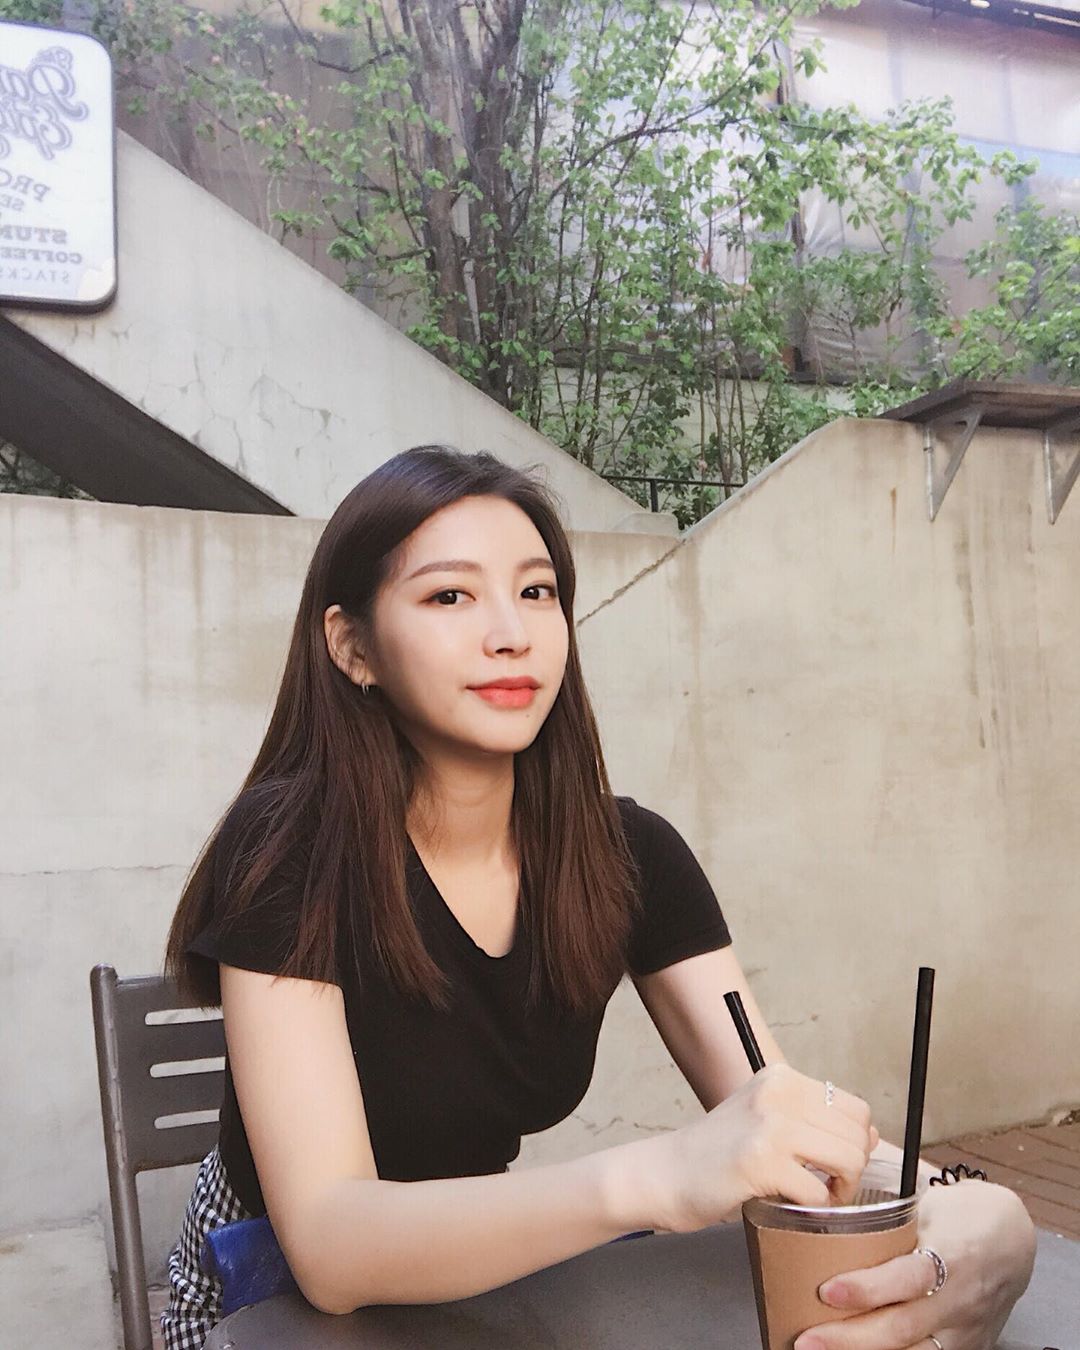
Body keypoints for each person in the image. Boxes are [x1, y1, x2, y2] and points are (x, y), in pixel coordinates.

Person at [162, 446, 1034, 1350]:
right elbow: (332, 1247)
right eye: (450, 596)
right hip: (263, 1297)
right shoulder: (290, 850)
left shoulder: (628, 856)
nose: (512, 633)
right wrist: (659, 1178)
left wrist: (976, 1206)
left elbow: (780, 1119)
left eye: (536, 591)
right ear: (353, 647)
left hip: (470, 1275)